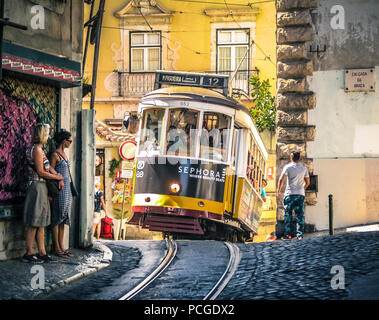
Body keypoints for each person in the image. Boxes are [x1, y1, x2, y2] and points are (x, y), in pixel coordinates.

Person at [23, 124, 64, 263]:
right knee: (34, 221)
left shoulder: (39, 149)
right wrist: (57, 177)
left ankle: (42, 252)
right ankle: (29, 252)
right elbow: (41, 172)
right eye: (47, 133)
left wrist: (58, 174)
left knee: (41, 222)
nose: (48, 136)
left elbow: (48, 168)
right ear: (42, 134)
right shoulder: (37, 150)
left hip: (41, 186)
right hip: (37, 186)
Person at [50, 130, 74, 258]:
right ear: (63, 141)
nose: (70, 143)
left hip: (67, 190)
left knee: (64, 218)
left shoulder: (65, 154)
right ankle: (56, 248)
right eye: (69, 141)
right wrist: (58, 178)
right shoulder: (55, 155)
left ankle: (61, 246)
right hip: (59, 190)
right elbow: (50, 169)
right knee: (57, 217)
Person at [277, 151, 310, 240]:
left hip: (289, 194)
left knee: (288, 214)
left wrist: (278, 191)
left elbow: (281, 179)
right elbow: (307, 182)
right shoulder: (304, 168)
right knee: (300, 215)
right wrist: (302, 188)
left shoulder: (288, 167)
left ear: (291, 157)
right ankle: (300, 235)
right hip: (300, 194)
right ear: (299, 158)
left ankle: (288, 234)